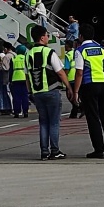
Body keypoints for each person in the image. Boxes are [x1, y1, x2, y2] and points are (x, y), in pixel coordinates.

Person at [73, 24, 104, 158]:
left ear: (80, 36)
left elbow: (79, 73)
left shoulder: (80, 50)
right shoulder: (102, 49)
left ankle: (99, 150)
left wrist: (76, 92)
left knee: (93, 118)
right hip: (102, 84)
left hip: (89, 85)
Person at [27, 25, 73, 160]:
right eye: (47, 35)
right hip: (51, 90)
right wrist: (69, 87)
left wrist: (30, 92)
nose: (48, 37)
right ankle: (55, 150)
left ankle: (44, 152)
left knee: (43, 122)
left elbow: (26, 77)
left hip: (37, 93)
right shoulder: (49, 52)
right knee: (54, 122)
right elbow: (60, 72)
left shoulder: (27, 54)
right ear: (42, 38)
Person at [10, 45, 30, 118]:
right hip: (25, 78)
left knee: (16, 97)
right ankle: (25, 112)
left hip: (15, 78)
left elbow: (11, 70)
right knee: (25, 96)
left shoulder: (14, 58)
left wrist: (10, 80)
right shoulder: (26, 58)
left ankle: (17, 112)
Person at [65, 40, 83, 119]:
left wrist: (64, 77)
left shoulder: (67, 55)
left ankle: (78, 109)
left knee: (70, 96)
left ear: (68, 46)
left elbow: (67, 68)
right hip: (77, 77)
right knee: (76, 95)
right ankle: (78, 109)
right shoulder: (76, 52)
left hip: (70, 78)